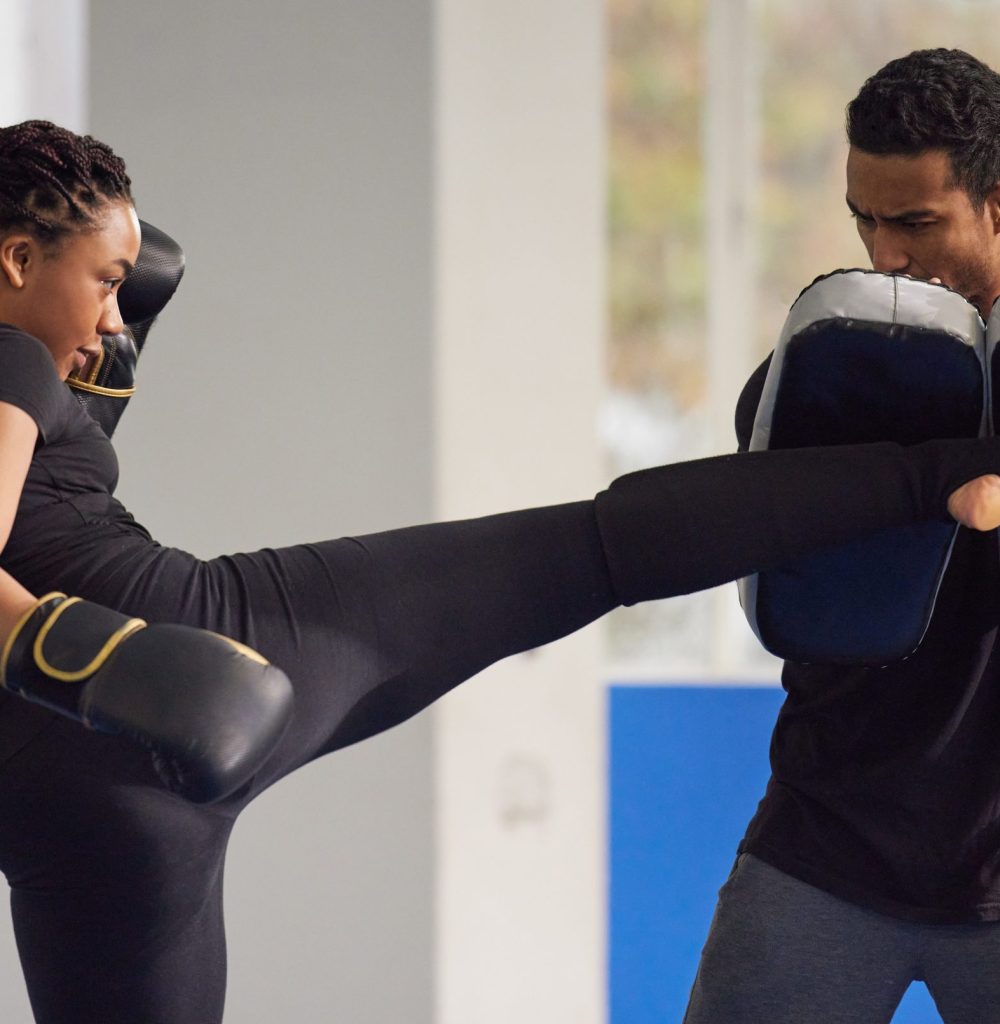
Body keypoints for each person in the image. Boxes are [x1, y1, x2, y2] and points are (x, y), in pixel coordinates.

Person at [0, 122, 997, 1024]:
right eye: (105, 279)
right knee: (596, 549)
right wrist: (106, 661)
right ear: (14, 259)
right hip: (192, 646)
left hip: (69, 805)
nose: (115, 314)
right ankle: (944, 475)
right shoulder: (11, 360)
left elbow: (36, 510)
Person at [684, 49, 1000, 1024]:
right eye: (864, 220)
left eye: (915, 222)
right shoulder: (826, 371)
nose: (886, 255)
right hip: (826, 847)